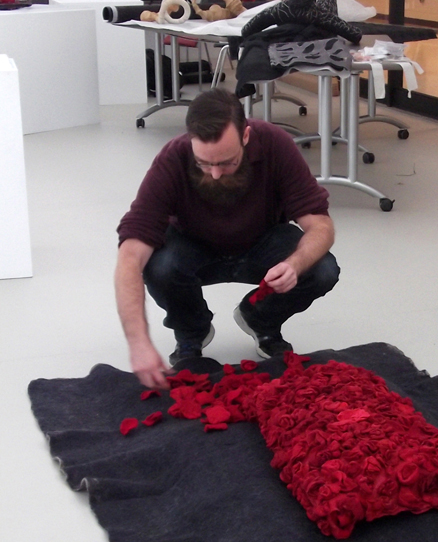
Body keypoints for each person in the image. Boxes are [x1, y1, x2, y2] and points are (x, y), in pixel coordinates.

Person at [115, 89, 339, 389]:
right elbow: (130, 255)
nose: (216, 174)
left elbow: (320, 224)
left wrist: (296, 264)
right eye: (204, 164)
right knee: (158, 266)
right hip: (192, 246)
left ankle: (260, 319)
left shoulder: (275, 144)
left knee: (322, 268)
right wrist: (138, 342)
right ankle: (191, 333)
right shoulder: (172, 158)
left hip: (261, 241)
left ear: (246, 136)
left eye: (227, 162)